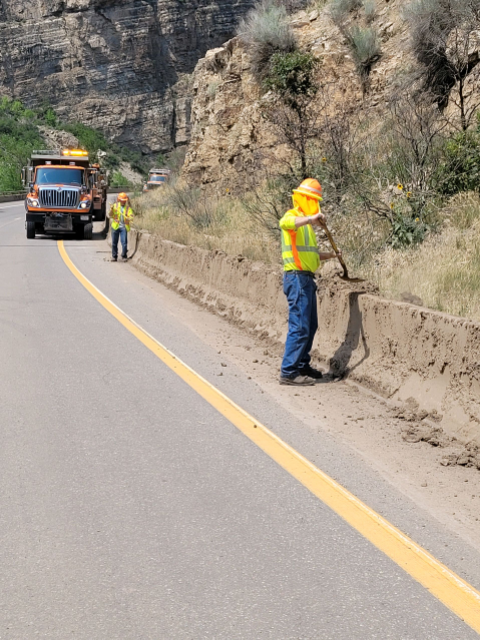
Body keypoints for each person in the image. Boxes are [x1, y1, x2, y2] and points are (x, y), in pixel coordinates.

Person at [279, 178, 341, 386]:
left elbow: (311, 255)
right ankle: (289, 371)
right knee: (300, 326)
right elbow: (284, 224)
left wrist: (331, 255)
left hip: (305, 279)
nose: (315, 205)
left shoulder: (307, 226)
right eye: (312, 201)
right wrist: (311, 219)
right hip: (296, 278)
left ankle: (302, 365)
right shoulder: (294, 217)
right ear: (304, 199)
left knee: (310, 325)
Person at [109, 193, 134, 262]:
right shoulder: (115, 206)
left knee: (124, 242)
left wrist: (130, 218)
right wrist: (111, 210)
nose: (124, 201)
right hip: (115, 227)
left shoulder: (128, 209)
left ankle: (124, 255)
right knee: (114, 242)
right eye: (122, 200)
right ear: (119, 200)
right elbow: (110, 215)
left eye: (124, 200)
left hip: (124, 227)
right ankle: (114, 256)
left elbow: (131, 216)